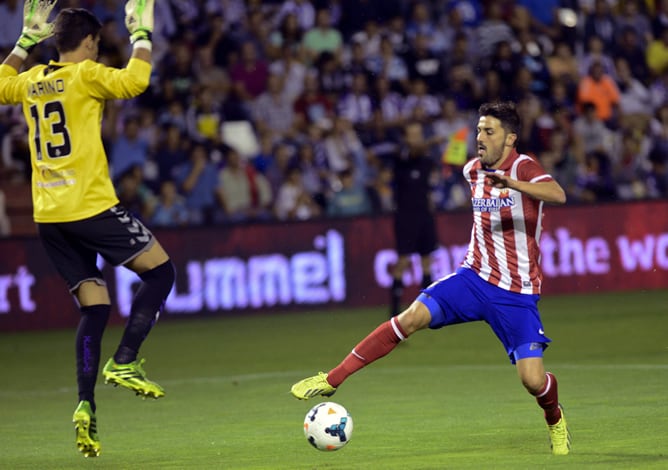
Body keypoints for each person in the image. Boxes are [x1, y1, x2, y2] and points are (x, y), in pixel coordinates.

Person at [291, 101, 571, 456]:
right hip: (472, 278)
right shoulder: (472, 170)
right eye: (479, 129)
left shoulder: (524, 167)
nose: (480, 137)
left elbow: (558, 195)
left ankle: (555, 418)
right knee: (409, 318)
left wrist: (512, 184)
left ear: (510, 138)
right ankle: (332, 379)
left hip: (515, 292)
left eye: (489, 131)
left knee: (533, 381)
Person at [0, 0, 173, 458]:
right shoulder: (86, 75)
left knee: (94, 308)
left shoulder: (33, 80)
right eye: (98, 44)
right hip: (89, 208)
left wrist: (22, 44)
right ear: (91, 43)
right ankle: (125, 360)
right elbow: (136, 81)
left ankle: (84, 403)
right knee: (160, 272)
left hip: (49, 217)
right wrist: (142, 37)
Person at [387, 121, 439, 318]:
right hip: (405, 216)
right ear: (406, 137)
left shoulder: (426, 161)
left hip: (424, 213)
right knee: (403, 261)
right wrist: (434, 141)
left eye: (419, 133)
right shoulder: (401, 156)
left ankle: (427, 311)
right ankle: (394, 310)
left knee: (427, 260)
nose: (417, 137)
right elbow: (414, 151)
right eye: (413, 134)